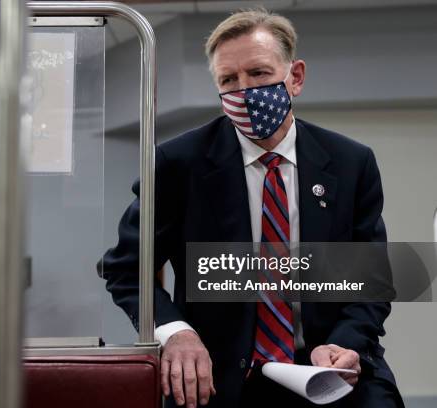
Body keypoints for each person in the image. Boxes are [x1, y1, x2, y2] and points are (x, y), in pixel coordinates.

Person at [99, 8, 403, 408]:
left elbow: (370, 281)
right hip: (218, 369)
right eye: (228, 79)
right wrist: (175, 332)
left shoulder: (350, 163)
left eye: (258, 73)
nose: (244, 90)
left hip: (327, 366)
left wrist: (342, 344)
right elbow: (126, 268)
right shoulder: (178, 163)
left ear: (295, 77)